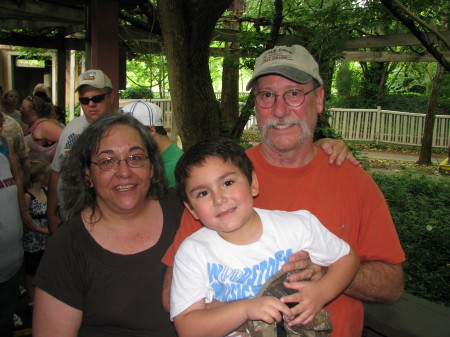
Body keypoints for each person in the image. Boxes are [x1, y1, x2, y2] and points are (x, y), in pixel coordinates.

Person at [162, 45, 405, 337]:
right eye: (267, 96)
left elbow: (392, 286)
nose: (279, 110)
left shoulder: (353, 180)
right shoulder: (221, 183)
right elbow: (172, 297)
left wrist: (325, 273)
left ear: (319, 99)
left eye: (293, 94)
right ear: (255, 104)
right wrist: (246, 307)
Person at [170, 138, 360, 337]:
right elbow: (187, 327)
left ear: (252, 183)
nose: (219, 199)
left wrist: (322, 292)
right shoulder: (192, 253)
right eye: (202, 193)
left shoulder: (297, 226)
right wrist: (245, 310)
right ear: (191, 209)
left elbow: (347, 259)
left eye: (227, 183)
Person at [33, 113, 183, 337]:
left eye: (135, 157)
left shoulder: (186, 211)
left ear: (152, 167)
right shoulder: (68, 246)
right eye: (107, 161)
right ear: (88, 175)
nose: (124, 172)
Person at [46, 69, 115, 233]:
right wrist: (50, 213)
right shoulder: (71, 128)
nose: (90, 104)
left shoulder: (124, 129)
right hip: (69, 220)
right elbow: (56, 171)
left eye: (97, 98)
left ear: (110, 96)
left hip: (107, 224)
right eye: (84, 100)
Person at [0, 112, 35, 336]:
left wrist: (25, 216)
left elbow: (17, 181)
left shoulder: (4, 148)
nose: (2, 120)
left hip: (11, 263)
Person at [121, 100, 184, 187]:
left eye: (131, 134)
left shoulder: (173, 167)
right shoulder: (157, 155)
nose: (125, 141)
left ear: (151, 131)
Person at [23, 159, 50, 308]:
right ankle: (32, 299)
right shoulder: (28, 197)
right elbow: (26, 221)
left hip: (45, 238)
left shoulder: (45, 191)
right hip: (33, 240)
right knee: (32, 270)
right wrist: (41, 230)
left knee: (43, 266)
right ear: (40, 176)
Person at [21, 95, 63, 162]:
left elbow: (68, 139)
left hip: (47, 169)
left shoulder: (44, 125)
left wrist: (52, 157)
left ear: (33, 112)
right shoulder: (27, 126)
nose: (20, 110)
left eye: (23, 108)